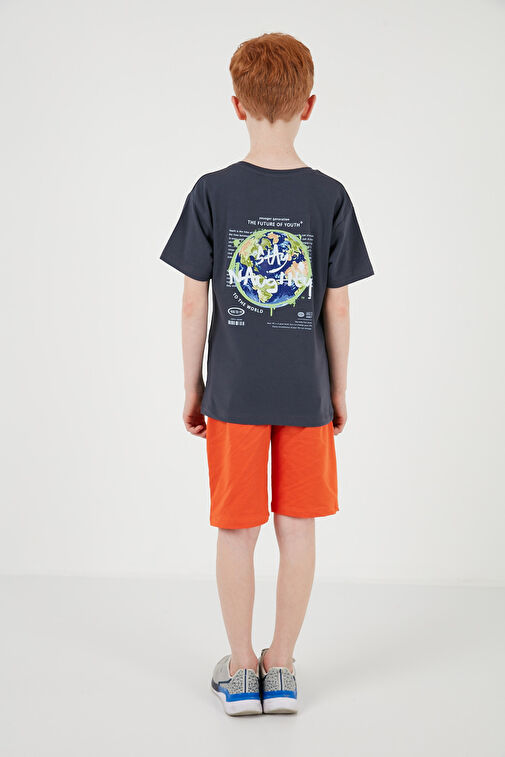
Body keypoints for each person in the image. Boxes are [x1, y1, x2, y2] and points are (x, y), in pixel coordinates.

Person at [159, 32, 374, 716]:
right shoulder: (329, 197)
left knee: (237, 530)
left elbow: (192, 301)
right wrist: (338, 389)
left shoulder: (212, 192)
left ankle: (241, 668)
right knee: (298, 528)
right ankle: (280, 667)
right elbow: (337, 305)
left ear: (236, 105)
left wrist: (192, 386)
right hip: (306, 395)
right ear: (308, 105)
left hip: (233, 393)